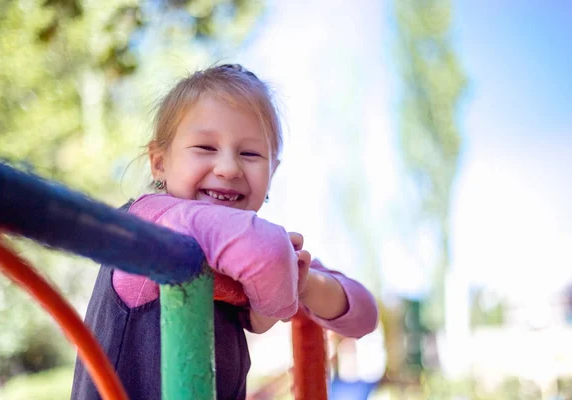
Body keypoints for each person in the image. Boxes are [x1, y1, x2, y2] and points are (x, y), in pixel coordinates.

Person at [71, 64, 378, 400]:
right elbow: (269, 254)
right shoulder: (150, 222)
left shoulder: (244, 257)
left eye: (250, 154)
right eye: (205, 148)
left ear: (271, 172)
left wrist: (303, 284)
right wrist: (272, 304)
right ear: (159, 162)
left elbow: (364, 313)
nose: (229, 168)